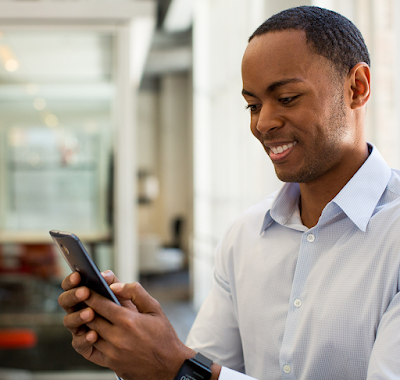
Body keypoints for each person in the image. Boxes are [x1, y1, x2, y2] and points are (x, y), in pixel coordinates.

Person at [58, 5, 400, 380]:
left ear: (357, 88)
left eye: (286, 98)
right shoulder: (245, 235)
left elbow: (191, 371)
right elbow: (197, 372)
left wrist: (174, 364)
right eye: (253, 105)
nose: (263, 123)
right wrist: (139, 353)